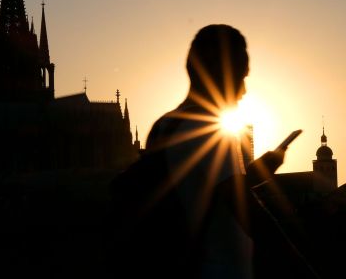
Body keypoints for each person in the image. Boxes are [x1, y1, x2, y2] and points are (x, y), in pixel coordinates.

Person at [109, 24, 301, 278]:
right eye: (241, 77)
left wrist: (267, 165)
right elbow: (245, 209)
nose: (244, 91)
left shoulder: (165, 125)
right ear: (219, 73)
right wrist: (303, 268)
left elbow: (206, 191)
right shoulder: (205, 130)